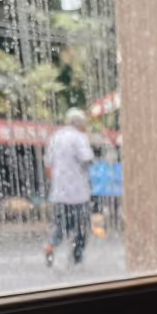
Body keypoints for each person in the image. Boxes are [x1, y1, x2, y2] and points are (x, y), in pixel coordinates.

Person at [44, 107, 94, 265]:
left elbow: (47, 165)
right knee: (82, 228)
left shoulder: (55, 137)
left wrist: (56, 182)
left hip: (59, 193)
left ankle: (50, 246)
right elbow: (87, 159)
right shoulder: (79, 137)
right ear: (79, 123)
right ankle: (76, 259)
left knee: (59, 225)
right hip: (78, 194)